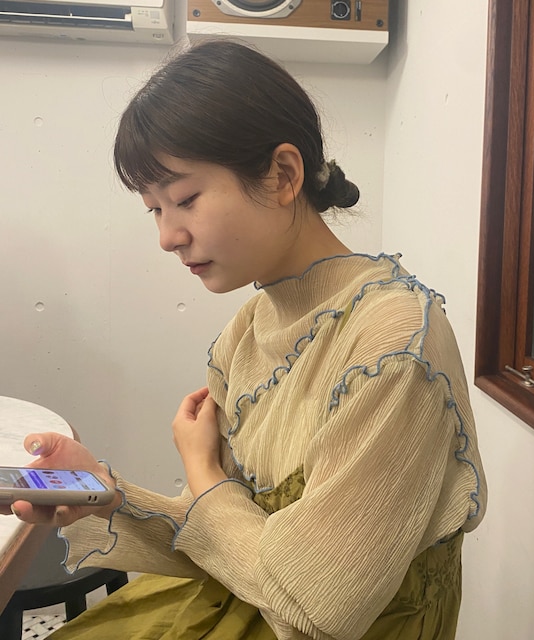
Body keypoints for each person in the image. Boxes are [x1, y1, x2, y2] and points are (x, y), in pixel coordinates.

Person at [2, 39, 487, 640]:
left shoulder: (393, 342)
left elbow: (316, 608)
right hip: (239, 606)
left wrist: (202, 470)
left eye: (185, 199)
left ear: (283, 175)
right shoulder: (248, 330)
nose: (167, 237)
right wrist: (106, 493)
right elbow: (229, 542)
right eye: (154, 209)